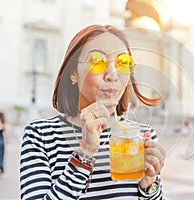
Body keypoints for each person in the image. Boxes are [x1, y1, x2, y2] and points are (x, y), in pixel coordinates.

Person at [20, 24, 166, 199]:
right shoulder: (40, 136)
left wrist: (149, 185)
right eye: (98, 61)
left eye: (123, 62)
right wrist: (85, 153)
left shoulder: (142, 136)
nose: (113, 75)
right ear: (73, 72)